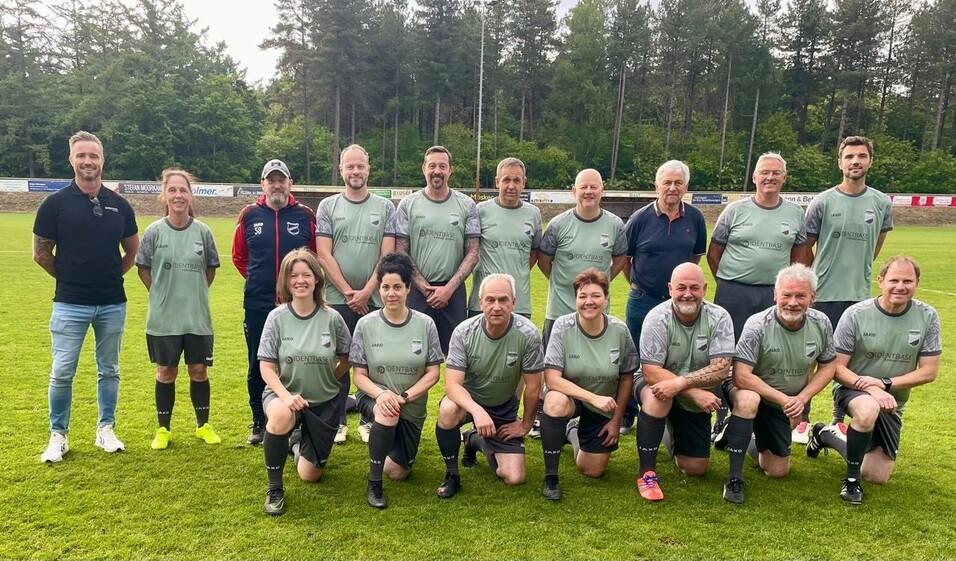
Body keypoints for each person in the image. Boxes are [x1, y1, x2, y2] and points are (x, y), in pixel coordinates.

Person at [34, 131, 139, 463]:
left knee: (109, 369)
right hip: (68, 303)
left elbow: (132, 252)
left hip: (111, 303)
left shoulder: (120, 205)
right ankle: (58, 435)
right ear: (71, 159)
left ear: (102, 160)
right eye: (81, 156)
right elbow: (40, 252)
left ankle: (105, 429)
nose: (88, 161)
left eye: (93, 156)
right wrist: (69, 278)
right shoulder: (55, 204)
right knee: (62, 371)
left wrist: (107, 276)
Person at [806, 256, 941, 505]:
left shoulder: (927, 316)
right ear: (880, 281)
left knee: (877, 476)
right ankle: (851, 481)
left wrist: (884, 384)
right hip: (852, 390)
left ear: (916, 283)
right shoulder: (856, 314)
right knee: (868, 409)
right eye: (894, 280)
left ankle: (827, 435)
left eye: (907, 281)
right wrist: (869, 387)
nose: (900, 286)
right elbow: (837, 367)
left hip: (892, 400)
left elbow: (928, 372)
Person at [799, 135, 893, 440]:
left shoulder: (880, 202)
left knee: (849, 359)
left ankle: (839, 417)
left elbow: (876, 247)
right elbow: (805, 248)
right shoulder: (823, 201)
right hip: (824, 294)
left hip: (858, 297)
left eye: (861, 156)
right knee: (811, 355)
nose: (855, 161)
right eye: (849, 156)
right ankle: (802, 416)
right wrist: (819, 275)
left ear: (870, 161)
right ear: (840, 162)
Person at [719, 264, 836, 504]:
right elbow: (741, 375)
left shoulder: (821, 323)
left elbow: (829, 366)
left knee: (777, 470)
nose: (792, 302)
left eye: (800, 296)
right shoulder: (758, 324)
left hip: (789, 401)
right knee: (749, 401)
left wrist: (801, 399)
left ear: (812, 298)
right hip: (754, 391)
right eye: (786, 295)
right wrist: (786, 401)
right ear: (775, 294)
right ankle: (734, 477)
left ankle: (738, 432)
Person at [257, 249, 351, 516]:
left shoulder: (332, 318)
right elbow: (266, 367)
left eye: (306, 275)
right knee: (280, 416)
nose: (300, 280)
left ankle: (296, 441)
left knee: (310, 475)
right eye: (294, 275)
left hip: (324, 403)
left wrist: (328, 379)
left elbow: (346, 357)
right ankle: (275, 489)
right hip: (284, 396)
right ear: (286, 282)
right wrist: (286, 396)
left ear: (317, 280)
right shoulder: (276, 318)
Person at [534, 168, 627, 438]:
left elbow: (620, 259)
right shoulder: (558, 225)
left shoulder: (614, 225)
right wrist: (567, 287)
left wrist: (595, 290)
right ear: (573, 191)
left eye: (593, 187)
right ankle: (546, 418)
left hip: (596, 317)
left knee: (593, 368)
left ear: (602, 190)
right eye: (583, 187)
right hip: (559, 310)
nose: (588, 192)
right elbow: (544, 259)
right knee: (551, 370)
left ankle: (586, 417)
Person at [435, 273, 545, 498]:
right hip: (469, 403)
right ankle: (452, 475)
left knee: (515, 478)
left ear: (514, 302)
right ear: (480, 301)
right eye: (490, 300)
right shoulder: (464, 332)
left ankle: (475, 440)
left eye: (504, 300)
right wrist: (477, 412)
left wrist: (525, 424)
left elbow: (534, 387)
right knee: (447, 409)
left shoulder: (529, 334)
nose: (497, 306)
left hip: (504, 406)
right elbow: (452, 386)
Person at [315, 144, 396, 444]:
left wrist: (367, 292)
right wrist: (350, 292)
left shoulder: (386, 207)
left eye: (360, 166)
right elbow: (323, 254)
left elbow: (387, 256)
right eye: (349, 167)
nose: (355, 172)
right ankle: (337, 422)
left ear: (368, 168)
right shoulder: (327, 207)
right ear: (341, 170)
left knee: (373, 361)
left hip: (375, 300)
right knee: (339, 360)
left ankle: (369, 418)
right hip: (339, 300)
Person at [350, 252, 444, 509]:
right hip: (375, 397)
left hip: (410, 406)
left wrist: (404, 397)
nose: (391, 293)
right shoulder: (365, 325)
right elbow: (359, 375)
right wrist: (382, 395)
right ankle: (374, 482)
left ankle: (384, 438)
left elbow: (433, 373)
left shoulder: (425, 324)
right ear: (379, 288)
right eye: (385, 287)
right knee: (387, 411)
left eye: (397, 287)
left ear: (408, 288)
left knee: (399, 472)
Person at [634, 263, 735, 502]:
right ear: (670, 288)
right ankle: (647, 473)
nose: (687, 293)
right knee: (659, 398)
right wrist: (693, 392)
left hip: (688, 387)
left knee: (695, 467)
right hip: (659, 384)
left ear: (705, 289)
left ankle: (670, 429)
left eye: (694, 287)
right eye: (681, 287)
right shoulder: (657, 317)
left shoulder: (719, 317)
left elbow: (721, 369)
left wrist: (681, 385)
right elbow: (650, 371)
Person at [233, 159, 316, 445]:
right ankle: (259, 421)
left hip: (298, 305)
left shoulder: (305, 215)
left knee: (296, 362)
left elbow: (314, 257)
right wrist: (261, 281)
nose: (277, 185)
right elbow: (239, 257)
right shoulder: (249, 215)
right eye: (272, 180)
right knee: (258, 361)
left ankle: (296, 420)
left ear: (290, 184)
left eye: (282, 180)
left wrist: (293, 288)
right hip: (258, 303)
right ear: (263, 184)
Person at [136, 168, 221, 450]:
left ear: (190, 194)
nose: (178, 195)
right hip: (163, 318)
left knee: (198, 371)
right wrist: (162, 291)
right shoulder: (154, 232)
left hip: (197, 317)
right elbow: (144, 269)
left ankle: (203, 426)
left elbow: (210, 270)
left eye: (183, 190)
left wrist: (191, 292)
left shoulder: (203, 232)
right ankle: (163, 429)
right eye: (172, 190)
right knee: (166, 372)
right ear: (165, 194)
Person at [621, 160, 707, 433]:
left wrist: (679, 290)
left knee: (673, 358)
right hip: (642, 301)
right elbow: (625, 259)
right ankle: (627, 414)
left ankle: (672, 413)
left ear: (686, 187)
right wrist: (640, 283)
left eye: (677, 183)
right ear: (656, 185)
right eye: (666, 182)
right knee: (634, 358)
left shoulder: (695, 218)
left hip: (679, 304)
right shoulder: (639, 219)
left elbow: (695, 258)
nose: (672, 188)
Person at [538, 269, 639, 500]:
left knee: (593, 470)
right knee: (554, 401)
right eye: (582, 296)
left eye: (595, 295)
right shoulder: (563, 326)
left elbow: (626, 378)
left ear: (606, 298)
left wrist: (616, 421)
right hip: (574, 399)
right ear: (575, 299)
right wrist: (592, 398)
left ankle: (570, 432)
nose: (589, 302)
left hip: (604, 405)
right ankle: (551, 476)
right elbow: (552, 378)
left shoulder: (619, 331)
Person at [707, 153, 806, 341]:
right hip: (734, 291)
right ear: (754, 177)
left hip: (773, 292)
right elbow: (713, 253)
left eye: (776, 173)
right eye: (764, 172)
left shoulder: (796, 213)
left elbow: (800, 256)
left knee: (771, 343)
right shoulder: (734, 210)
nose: (770, 177)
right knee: (729, 344)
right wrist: (726, 282)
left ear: (784, 177)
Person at [392, 145, 480, 355]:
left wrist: (449, 288)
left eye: (442, 166)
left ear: (451, 170)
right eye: (432, 166)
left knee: (458, 355)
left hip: (453, 291)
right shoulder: (408, 205)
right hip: (417, 290)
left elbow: (473, 252)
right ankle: (414, 391)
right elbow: (401, 250)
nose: (437, 171)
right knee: (414, 353)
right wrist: (424, 287)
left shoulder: (467, 205)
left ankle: (453, 390)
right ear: (424, 168)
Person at [467, 157, 542, 319]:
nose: (511, 186)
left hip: (519, 303)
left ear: (524, 182)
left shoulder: (533, 214)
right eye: (506, 180)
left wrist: (516, 270)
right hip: (483, 304)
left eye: (517, 180)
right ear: (497, 182)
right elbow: (469, 250)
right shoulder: (481, 211)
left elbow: (535, 253)